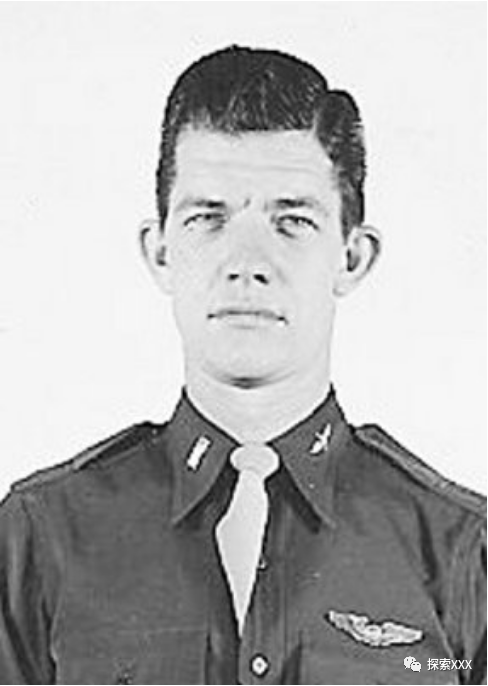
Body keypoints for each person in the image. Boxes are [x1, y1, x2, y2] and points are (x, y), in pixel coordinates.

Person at [0, 46, 485, 685]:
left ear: (352, 257)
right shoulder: (41, 537)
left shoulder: (460, 551)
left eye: (293, 221)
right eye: (209, 218)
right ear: (160, 251)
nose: (247, 262)